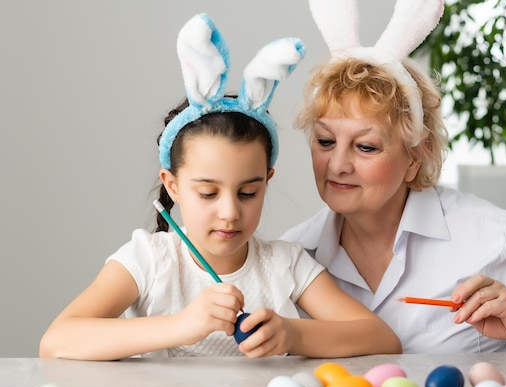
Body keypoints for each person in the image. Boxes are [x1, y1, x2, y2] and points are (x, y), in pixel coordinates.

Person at [39, 13, 401, 360]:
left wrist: (294, 334)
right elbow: (57, 341)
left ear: (266, 182)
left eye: (248, 193)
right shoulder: (149, 261)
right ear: (173, 185)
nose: (229, 212)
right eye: (208, 193)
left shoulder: (284, 265)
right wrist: (181, 326)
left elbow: (382, 339)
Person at [281, 0, 506, 353]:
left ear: (416, 154)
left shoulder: (492, 237)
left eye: (366, 147)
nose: (337, 165)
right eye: (325, 141)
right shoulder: (293, 254)